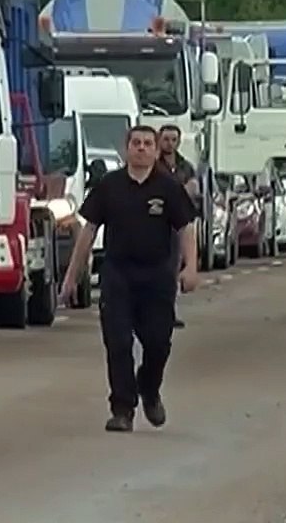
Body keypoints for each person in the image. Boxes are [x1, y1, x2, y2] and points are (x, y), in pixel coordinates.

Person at [60, 125, 199, 433]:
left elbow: (186, 227)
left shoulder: (168, 187)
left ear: (155, 149)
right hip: (118, 275)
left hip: (157, 276)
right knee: (118, 342)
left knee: (158, 342)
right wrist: (72, 276)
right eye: (135, 143)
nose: (141, 148)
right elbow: (88, 230)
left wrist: (190, 267)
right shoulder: (110, 186)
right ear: (126, 149)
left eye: (147, 143)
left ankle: (149, 390)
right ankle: (122, 408)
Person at [157, 124, 198, 330]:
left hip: (178, 224)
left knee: (172, 269)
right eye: (166, 139)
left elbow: (193, 189)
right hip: (156, 224)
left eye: (174, 139)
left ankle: (168, 312)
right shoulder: (155, 165)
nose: (170, 143)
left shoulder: (185, 167)